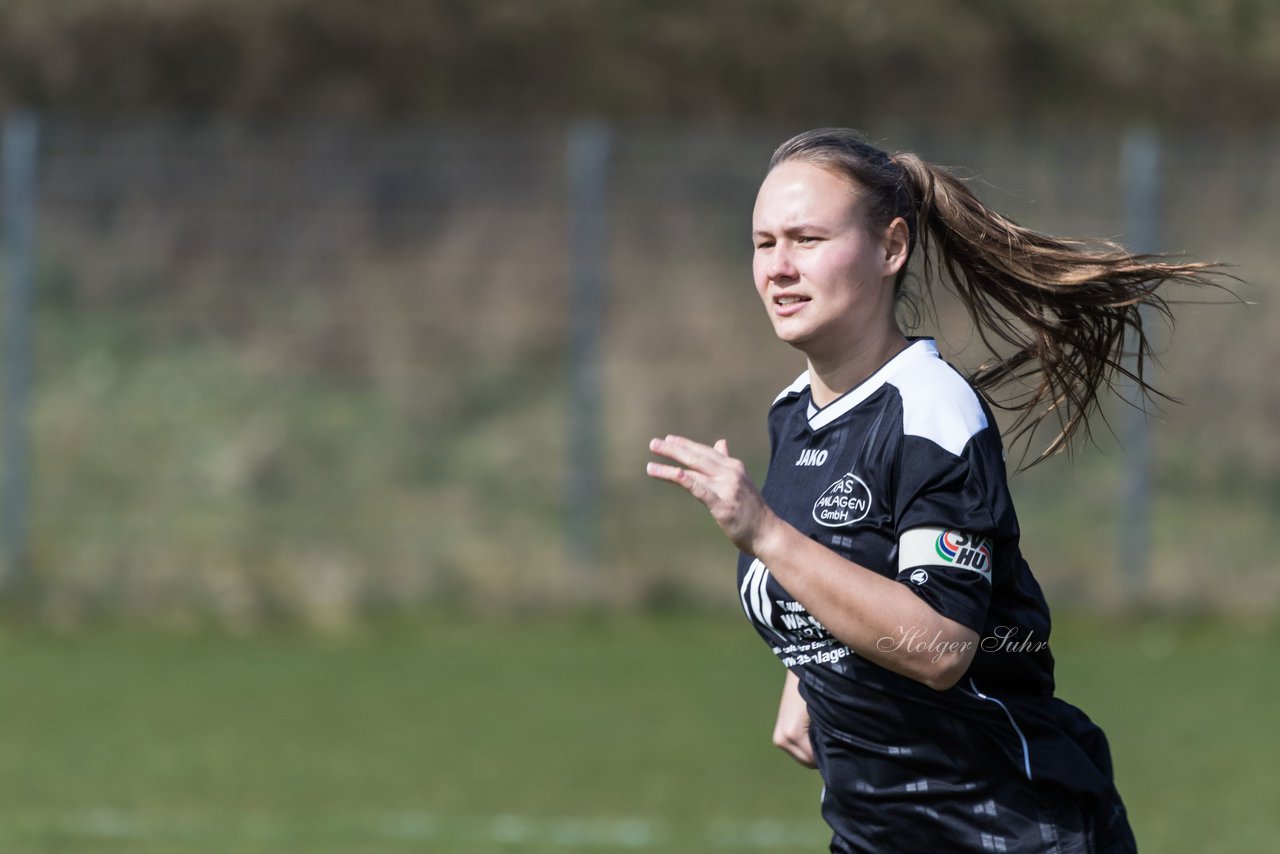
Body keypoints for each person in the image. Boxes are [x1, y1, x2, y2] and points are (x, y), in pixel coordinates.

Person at [646, 128, 1227, 852]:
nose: (779, 268)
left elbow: (940, 645)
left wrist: (764, 533)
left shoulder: (930, 413)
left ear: (892, 248)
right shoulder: (794, 413)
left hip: (1006, 830)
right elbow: (849, 566)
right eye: (764, 243)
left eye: (807, 239)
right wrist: (806, 673)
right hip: (874, 835)